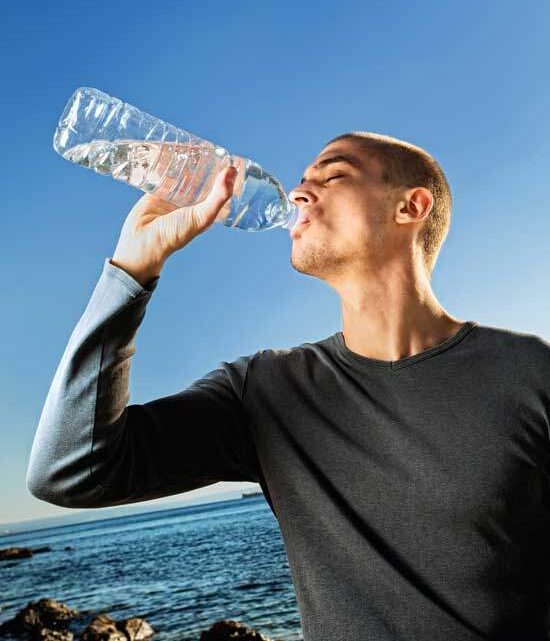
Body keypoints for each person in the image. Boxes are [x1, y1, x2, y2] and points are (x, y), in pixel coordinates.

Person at [27, 132, 550, 641]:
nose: (299, 192)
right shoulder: (266, 392)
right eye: (301, 180)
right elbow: (69, 471)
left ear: (410, 207)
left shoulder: (530, 371)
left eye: (334, 174)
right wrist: (132, 270)